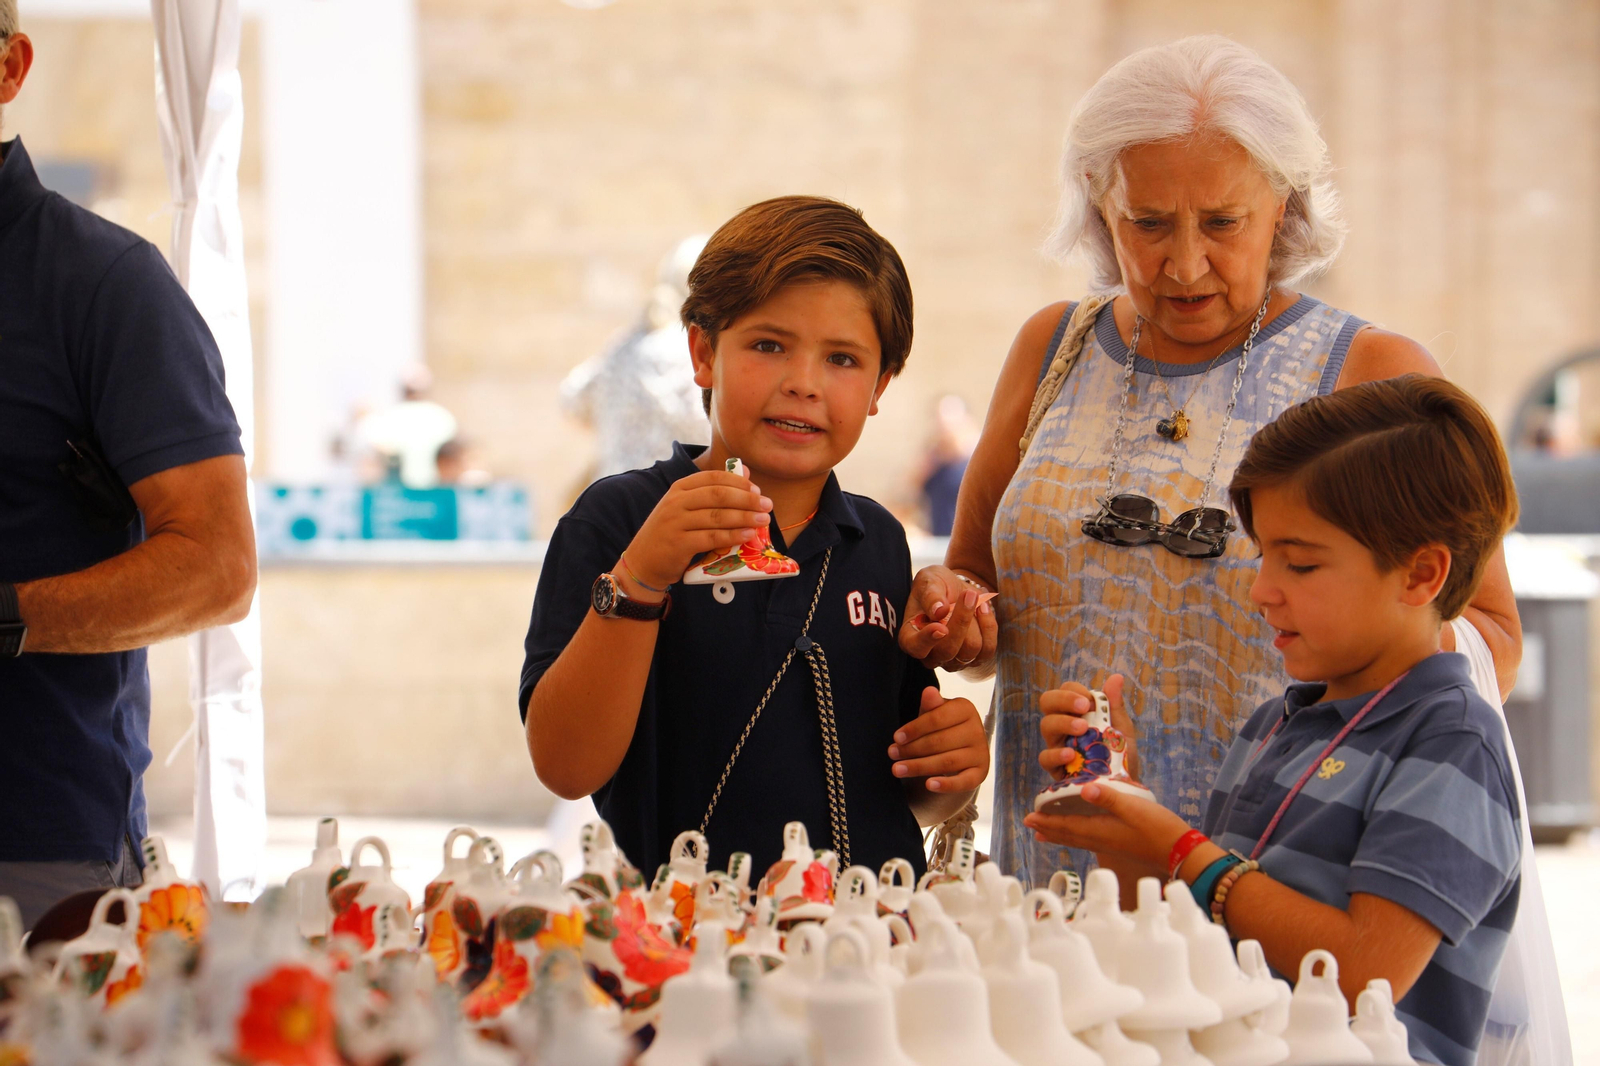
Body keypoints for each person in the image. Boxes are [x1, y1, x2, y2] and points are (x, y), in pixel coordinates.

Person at [894, 36, 1521, 885]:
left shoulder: (1373, 373)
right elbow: (979, 585)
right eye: (1146, 223)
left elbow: (1493, 638)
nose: (1183, 264)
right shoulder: (1052, 349)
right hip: (1059, 870)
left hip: (1282, 882)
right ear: (1098, 204)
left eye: (1223, 223)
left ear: (1284, 210)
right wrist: (957, 613)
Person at [1025, 376, 1522, 1066]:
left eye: (1303, 563)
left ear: (1420, 576)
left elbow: (1361, 971)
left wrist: (1178, 846)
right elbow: (1193, 934)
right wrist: (1122, 809)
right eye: (1264, 556)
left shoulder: (1452, 742)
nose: (1261, 590)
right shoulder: (1276, 723)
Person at [520, 196, 988, 875]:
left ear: (882, 384)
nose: (803, 384)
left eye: (843, 359)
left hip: (869, 940)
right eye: (769, 346)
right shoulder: (621, 521)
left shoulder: (878, 541)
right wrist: (641, 579)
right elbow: (564, 766)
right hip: (689, 944)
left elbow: (905, 790)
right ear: (703, 353)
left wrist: (951, 766)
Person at [0, 10, 255, 927]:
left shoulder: (104, 284)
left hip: (32, 848)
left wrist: (5, 612)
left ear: (10, 67)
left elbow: (217, 570)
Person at [561, 235, 713, 481]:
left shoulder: (625, 344)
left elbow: (572, 400)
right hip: (673, 502)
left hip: (614, 501)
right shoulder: (696, 349)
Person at [916, 395, 977, 536]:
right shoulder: (933, 462)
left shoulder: (974, 462)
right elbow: (909, 496)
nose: (944, 428)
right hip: (938, 542)